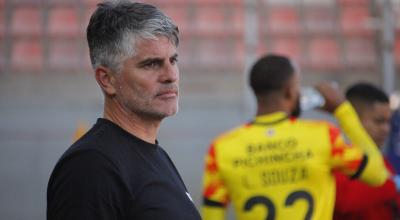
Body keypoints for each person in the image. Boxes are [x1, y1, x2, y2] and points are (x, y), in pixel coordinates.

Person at [47, 1, 201, 220]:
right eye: (151, 64)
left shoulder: (154, 154)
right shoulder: (91, 166)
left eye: (173, 60)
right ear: (107, 79)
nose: (171, 75)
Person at [201, 54, 389, 220]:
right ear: (290, 91)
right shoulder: (323, 135)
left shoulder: (221, 149)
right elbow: (378, 175)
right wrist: (343, 110)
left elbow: (212, 215)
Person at [333, 83, 400, 220]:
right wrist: (390, 184)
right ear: (353, 119)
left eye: (388, 122)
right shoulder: (335, 160)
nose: (386, 129)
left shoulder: (381, 161)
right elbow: (346, 201)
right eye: (379, 121)